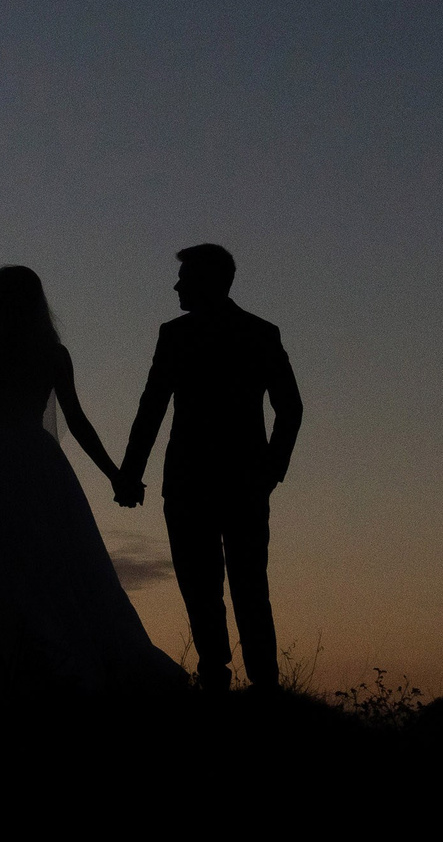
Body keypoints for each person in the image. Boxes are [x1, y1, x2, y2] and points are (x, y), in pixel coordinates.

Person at [0, 266, 185, 702]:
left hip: (3, 464)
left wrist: (116, 473)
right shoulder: (28, 350)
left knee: (17, 562)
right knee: (15, 562)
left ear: (13, 302)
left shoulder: (16, 350)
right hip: (31, 463)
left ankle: (16, 672)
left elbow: (70, 419)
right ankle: (10, 670)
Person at [115, 244, 303, 692]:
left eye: (184, 278)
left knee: (223, 583)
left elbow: (152, 409)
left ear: (208, 280)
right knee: (231, 583)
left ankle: (231, 678)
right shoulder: (253, 332)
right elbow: (152, 407)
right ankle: (249, 680)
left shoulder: (199, 335)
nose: (176, 286)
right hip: (220, 480)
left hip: (206, 479)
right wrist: (270, 470)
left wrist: (131, 473)